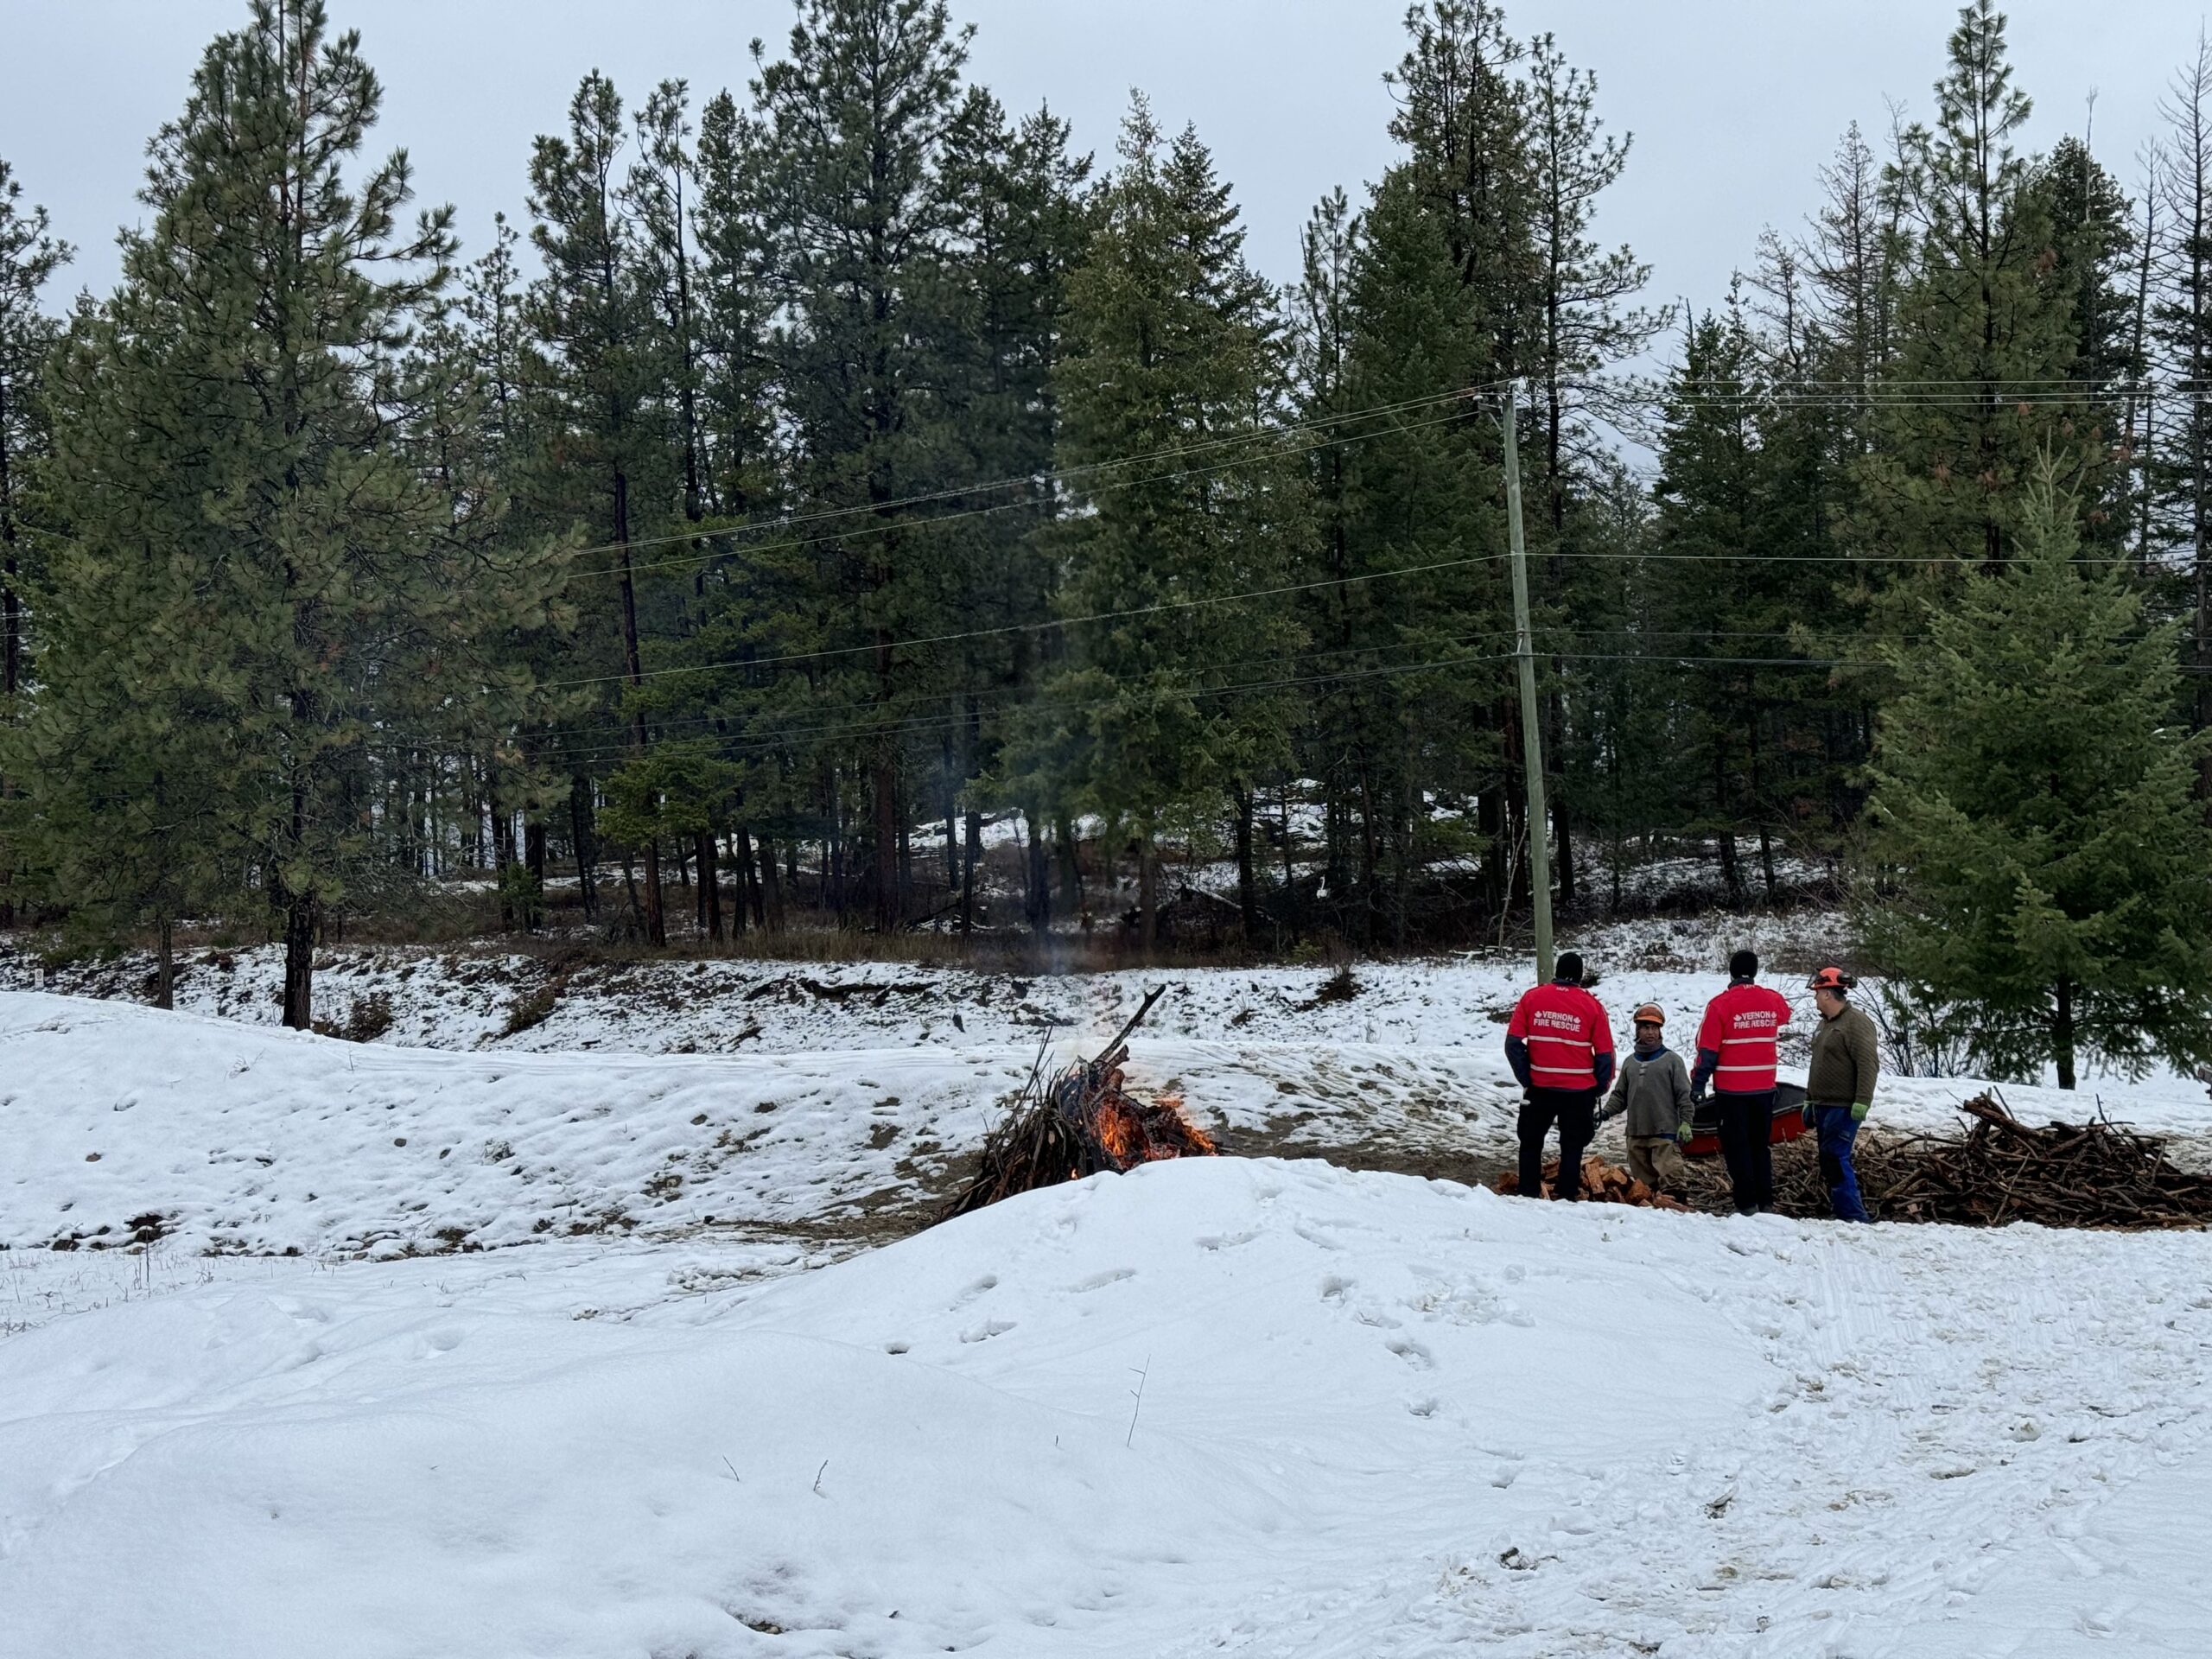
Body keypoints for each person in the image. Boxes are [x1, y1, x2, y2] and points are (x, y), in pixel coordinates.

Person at [1504, 951, 1616, 1201]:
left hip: (1540, 1087)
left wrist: (1527, 1076)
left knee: (1531, 1142)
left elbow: (1512, 1043)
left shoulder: (1532, 998)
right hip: (1578, 1091)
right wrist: (1599, 1087)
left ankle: (1528, 1193)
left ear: (1556, 971)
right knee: (1573, 1146)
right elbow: (1605, 1054)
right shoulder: (1592, 1006)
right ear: (1580, 975)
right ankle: (1567, 1196)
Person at [1692, 949, 1794, 1215]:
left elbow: (1707, 1051)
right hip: (1764, 1088)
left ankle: (1747, 1204)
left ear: (1731, 972)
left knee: (1737, 1148)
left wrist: (1698, 1084)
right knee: (1760, 1146)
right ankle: (1766, 1201)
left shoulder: (1720, 1005)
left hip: (1732, 1091)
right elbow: (1785, 1014)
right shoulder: (1771, 1000)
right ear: (1756, 972)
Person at [1803, 966, 1879, 1222]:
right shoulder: (1825, 1024)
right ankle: (1843, 1211)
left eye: (1817, 993)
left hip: (1844, 1106)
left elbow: (1868, 1063)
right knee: (1828, 1159)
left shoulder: (1856, 1023)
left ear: (1827, 993)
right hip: (1824, 1104)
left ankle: (1854, 1217)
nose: (1815, 998)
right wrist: (1809, 1099)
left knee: (1836, 1158)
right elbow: (1818, 1065)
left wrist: (1862, 1101)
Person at [1599, 1002, 1694, 1196]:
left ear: (1660, 1032)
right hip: (1636, 1133)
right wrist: (1606, 1113)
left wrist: (1686, 1122)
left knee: (1673, 1184)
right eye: (1646, 1028)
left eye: (1655, 1028)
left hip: (1664, 1132)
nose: (1651, 1032)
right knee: (1645, 1189)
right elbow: (1620, 1095)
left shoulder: (1672, 1061)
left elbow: (1684, 1095)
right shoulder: (1630, 1063)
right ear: (1638, 1030)